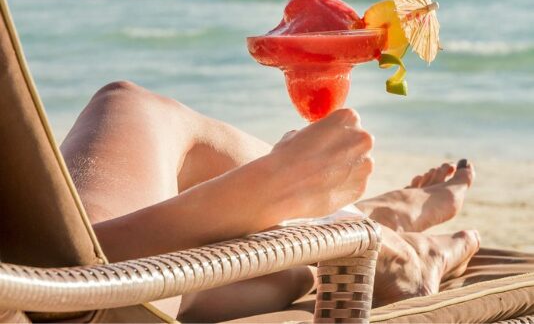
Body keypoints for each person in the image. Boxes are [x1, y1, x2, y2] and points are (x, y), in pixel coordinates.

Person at [60, 80, 480, 321]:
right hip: (69, 296)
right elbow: (66, 273)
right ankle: (384, 245)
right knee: (130, 105)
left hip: (65, 298)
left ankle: (351, 223)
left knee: (289, 273)